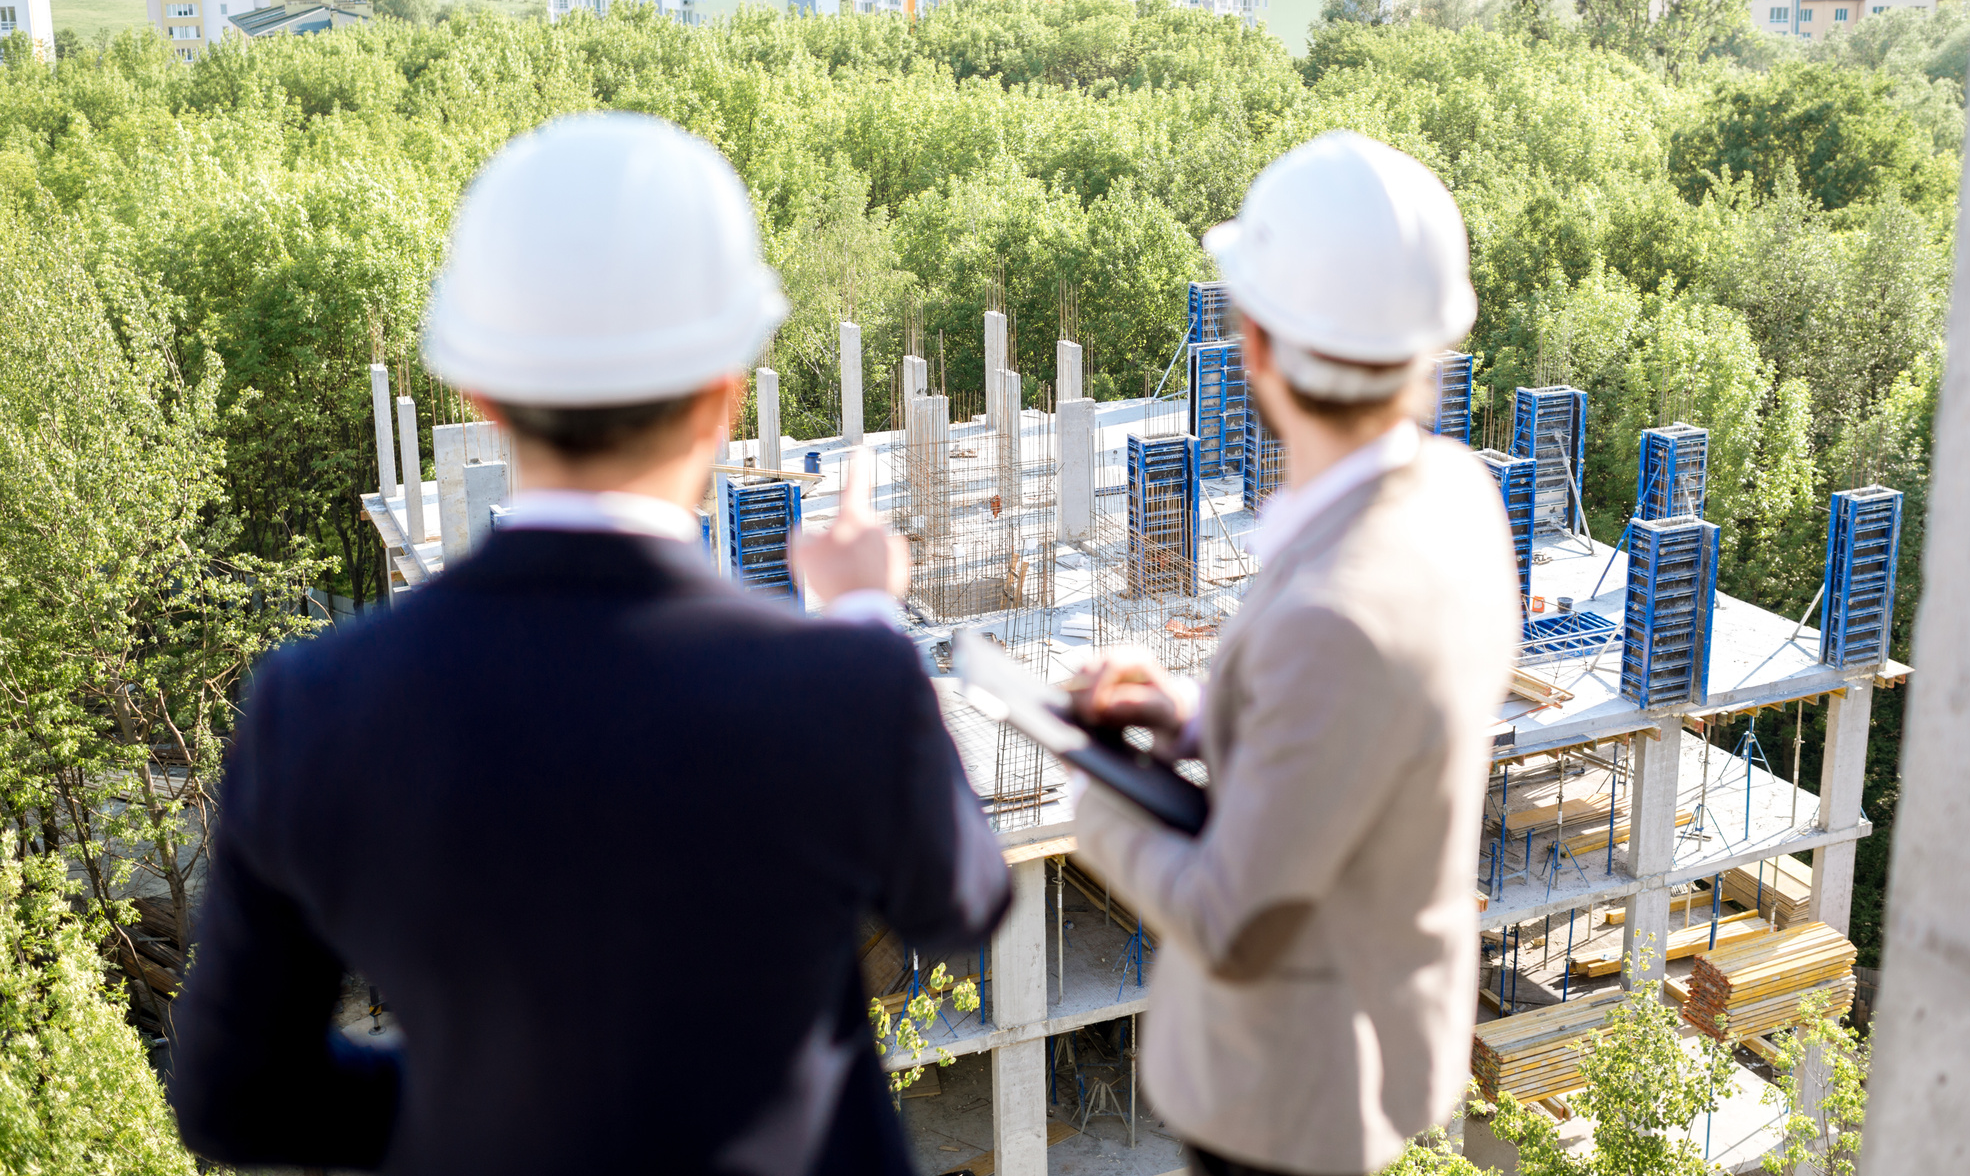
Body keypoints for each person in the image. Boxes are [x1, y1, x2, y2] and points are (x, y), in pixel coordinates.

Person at [170, 113, 1009, 1175]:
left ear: (481, 395)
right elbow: (964, 899)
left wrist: (473, 1113)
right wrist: (861, 614)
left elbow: (237, 1096)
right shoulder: (836, 682)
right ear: (725, 392)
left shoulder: (316, 704)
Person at [1071, 131, 1519, 1176]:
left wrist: (1090, 797)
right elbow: (1363, 732)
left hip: (1285, 1103)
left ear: (1254, 345)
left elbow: (1234, 921)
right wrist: (1198, 712)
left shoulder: (1335, 614)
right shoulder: (1454, 497)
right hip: (1373, 1039)